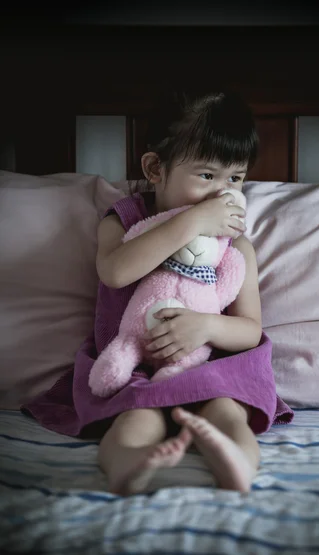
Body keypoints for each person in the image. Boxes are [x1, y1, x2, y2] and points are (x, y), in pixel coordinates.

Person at [22, 90, 294, 496]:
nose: (223, 193)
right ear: (155, 169)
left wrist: (205, 327)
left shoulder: (235, 246)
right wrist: (194, 220)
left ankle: (237, 461)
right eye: (206, 176)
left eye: (234, 178)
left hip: (209, 368)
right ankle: (129, 465)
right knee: (135, 422)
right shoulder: (126, 221)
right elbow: (116, 272)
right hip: (134, 369)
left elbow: (249, 331)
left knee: (226, 413)